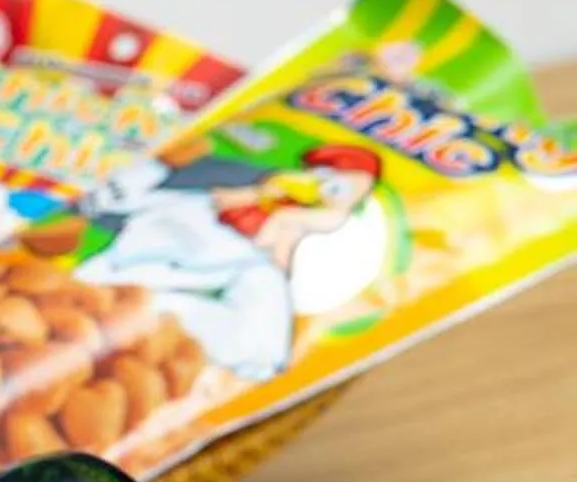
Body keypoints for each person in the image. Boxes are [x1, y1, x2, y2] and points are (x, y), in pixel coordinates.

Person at [62, 142, 384, 382]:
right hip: (120, 274)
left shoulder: (288, 230)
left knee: (259, 309)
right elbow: (112, 201)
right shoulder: (202, 196)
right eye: (328, 180)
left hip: (198, 284)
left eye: (346, 192)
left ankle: (251, 360)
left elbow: (299, 238)